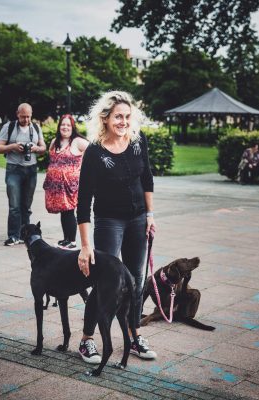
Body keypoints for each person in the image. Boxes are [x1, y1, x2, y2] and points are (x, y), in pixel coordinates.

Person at [76, 90, 157, 364]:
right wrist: (86, 246)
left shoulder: (137, 140)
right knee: (106, 282)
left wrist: (150, 214)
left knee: (135, 280)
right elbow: (83, 202)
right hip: (109, 221)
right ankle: (87, 340)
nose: (123, 122)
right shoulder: (95, 152)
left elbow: (147, 178)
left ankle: (134, 336)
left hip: (137, 220)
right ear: (106, 118)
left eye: (127, 116)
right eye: (118, 117)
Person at [0, 103, 46, 246]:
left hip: (31, 170)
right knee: (14, 206)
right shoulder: (9, 127)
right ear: (17, 114)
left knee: (26, 206)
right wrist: (13, 147)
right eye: (23, 116)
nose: (26, 119)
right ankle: (13, 236)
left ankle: (25, 234)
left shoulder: (36, 127)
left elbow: (43, 148)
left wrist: (36, 148)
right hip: (14, 170)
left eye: (29, 116)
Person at [43, 114, 89, 250]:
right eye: (63, 124)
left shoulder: (78, 141)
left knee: (69, 211)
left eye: (68, 125)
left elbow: (94, 152)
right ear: (59, 127)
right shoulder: (54, 142)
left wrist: (86, 169)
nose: (65, 127)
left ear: (73, 127)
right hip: (56, 186)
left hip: (71, 185)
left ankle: (72, 241)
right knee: (63, 211)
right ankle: (66, 238)